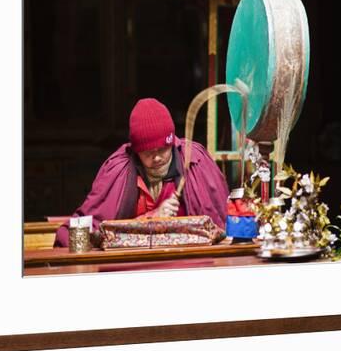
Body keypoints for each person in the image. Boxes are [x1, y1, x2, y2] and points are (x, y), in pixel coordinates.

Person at [54, 98, 229, 247]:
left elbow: (219, 226)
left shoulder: (195, 162)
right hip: (134, 262)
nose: (157, 158)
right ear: (137, 152)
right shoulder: (119, 170)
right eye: (148, 153)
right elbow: (92, 229)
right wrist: (152, 217)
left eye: (163, 150)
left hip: (188, 259)